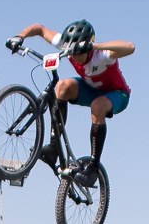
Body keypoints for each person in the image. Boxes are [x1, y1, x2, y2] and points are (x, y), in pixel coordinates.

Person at [11, 19, 135, 181]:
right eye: (71, 53)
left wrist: (95, 46)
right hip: (91, 90)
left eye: (78, 53)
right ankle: (54, 148)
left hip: (117, 94)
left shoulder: (102, 55)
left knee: (98, 106)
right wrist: (19, 37)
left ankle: (93, 168)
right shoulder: (67, 45)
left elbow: (130, 47)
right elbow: (40, 29)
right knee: (62, 86)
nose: (74, 57)